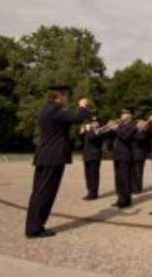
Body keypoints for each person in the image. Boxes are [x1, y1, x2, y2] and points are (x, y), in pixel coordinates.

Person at [25, 85, 89, 239]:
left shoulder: (46, 109)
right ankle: (35, 229)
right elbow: (77, 118)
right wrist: (83, 106)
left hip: (45, 156)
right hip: (53, 157)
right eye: (66, 96)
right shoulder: (55, 110)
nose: (67, 99)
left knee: (39, 191)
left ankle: (33, 226)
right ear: (59, 96)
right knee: (46, 192)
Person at [109, 108, 136, 208]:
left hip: (125, 155)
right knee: (118, 179)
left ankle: (126, 200)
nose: (122, 115)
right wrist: (110, 128)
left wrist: (115, 129)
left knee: (125, 178)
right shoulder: (121, 125)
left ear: (130, 115)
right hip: (117, 155)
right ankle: (120, 198)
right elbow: (114, 138)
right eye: (122, 113)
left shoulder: (132, 126)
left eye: (124, 113)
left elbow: (125, 137)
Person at [80, 116, 104, 200]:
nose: (94, 123)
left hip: (94, 156)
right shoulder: (89, 131)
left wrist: (88, 130)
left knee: (94, 175)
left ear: (99, 123)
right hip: (87, 155)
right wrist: (82, 132)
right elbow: (82, 140)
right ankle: (89, 191)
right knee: (88, 175)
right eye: (92, 122)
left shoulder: (100, 130)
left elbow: (92, 137)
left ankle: (94, 193)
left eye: (96, 122)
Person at [131, 119, 151, 194]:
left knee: (138, 172)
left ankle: (137, 188)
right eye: (138, 123)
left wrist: (141, 129)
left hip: (139, 155)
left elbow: (139, 138)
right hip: (132, 154)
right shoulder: (136, 131)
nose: (138, 125)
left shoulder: (144, 132)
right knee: (132, 172)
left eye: (140, 123)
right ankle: (133, 187)